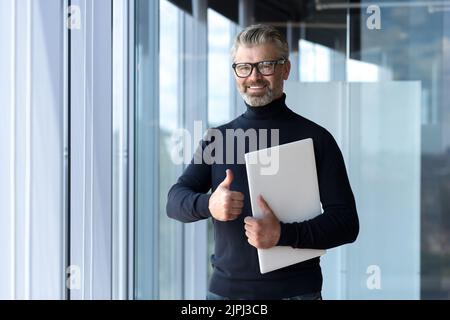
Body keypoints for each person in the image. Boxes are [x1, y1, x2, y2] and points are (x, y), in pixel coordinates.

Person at [166, 24, 359, 300]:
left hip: (297, 294)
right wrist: (207, 204)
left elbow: (347, 223)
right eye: (244, 67)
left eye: (265, 65)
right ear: (235, 73)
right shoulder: (217, 139)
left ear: (285, 69)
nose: (254, 76)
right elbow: (174, 201)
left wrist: (283, 234)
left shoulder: (316, 138)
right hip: (226, 295)